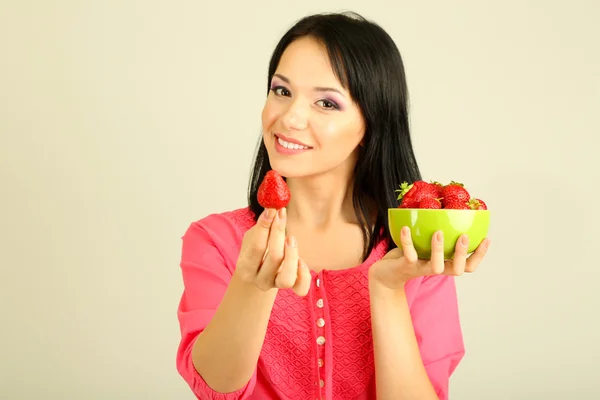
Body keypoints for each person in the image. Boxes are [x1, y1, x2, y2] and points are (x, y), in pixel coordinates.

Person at [175, 11, 491, 400]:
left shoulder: (413, 248)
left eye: (326, 103)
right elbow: (215, 388)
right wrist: (251, 285)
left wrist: (389, 288)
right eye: (281, 90)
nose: (289, 117)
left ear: (370, 125)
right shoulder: (215, 240)